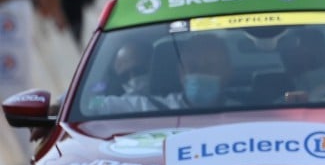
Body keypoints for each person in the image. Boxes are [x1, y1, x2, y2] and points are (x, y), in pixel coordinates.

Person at [84, 33, 234, 114]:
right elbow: (90, 103)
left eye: (210, 66)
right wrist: (101, 86)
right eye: (192, 67)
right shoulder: (148, 108)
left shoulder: (247, 115)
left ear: (227, 71)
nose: (201, 72)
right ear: (180, 73)